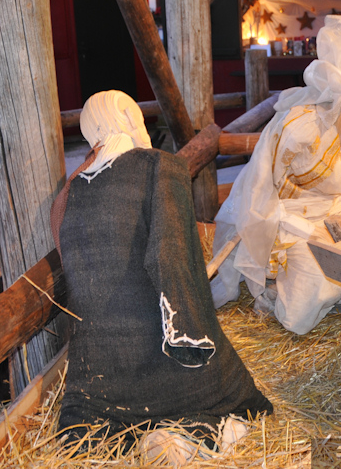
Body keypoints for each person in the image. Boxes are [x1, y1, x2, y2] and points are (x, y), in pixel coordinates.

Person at [52, 90, 272, 460]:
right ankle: (186, 435)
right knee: (237, 398)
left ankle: (139, 438)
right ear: (127, 119)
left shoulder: (69, 194)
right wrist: (191, 333)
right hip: (161, 354)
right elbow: (173, 257)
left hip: (100, 375)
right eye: (137, 117)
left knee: (91, 428)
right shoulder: (160, 166)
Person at [212, 15, 341, 334]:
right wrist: (271, 238)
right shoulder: (299, 126)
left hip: (335, 211)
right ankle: (278, 291)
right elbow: (261, 190)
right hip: (287, 220)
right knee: (314, 288)